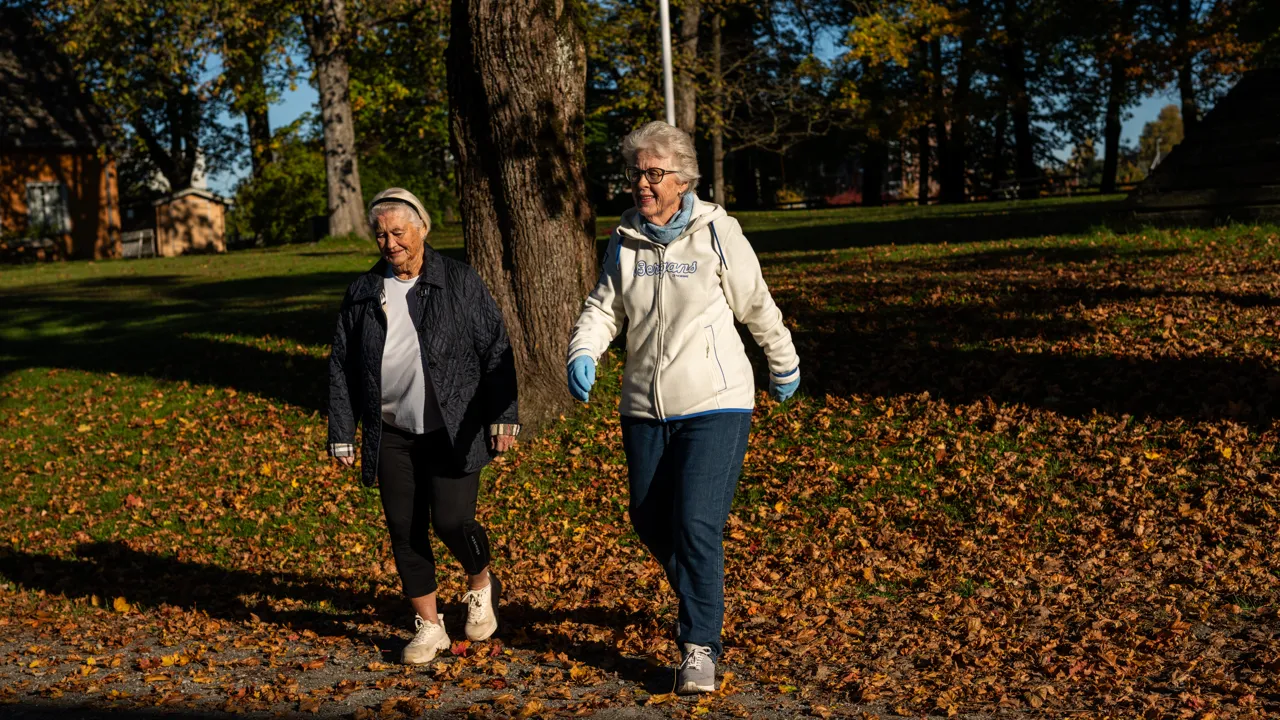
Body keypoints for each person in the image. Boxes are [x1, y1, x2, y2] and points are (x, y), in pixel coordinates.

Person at [566, 121, 801, 694]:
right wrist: (584, 348)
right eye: (637, 173)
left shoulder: (717, 232)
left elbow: (755, 302)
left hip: (716, 402)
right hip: (645, 405)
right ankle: (705, 593)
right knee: (649, 518)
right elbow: (605, 308)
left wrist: (783, 361)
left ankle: (699, 647)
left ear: (682, 178)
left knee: (696, 523)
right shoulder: (625, 238)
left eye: (654, 174)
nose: (642, 184)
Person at [327, 187, 520, 664]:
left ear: (422, 230)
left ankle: (479, 582)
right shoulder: (363, 291)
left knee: (452, 521)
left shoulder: (457, 280)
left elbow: (496, 348)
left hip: (452, 427)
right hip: (391, 429)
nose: (390, 244)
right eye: (381, 235)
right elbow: (342, 364)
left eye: (398, 233)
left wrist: (503, 414)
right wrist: (341, 429)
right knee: (404, 528)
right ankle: (429, 626)